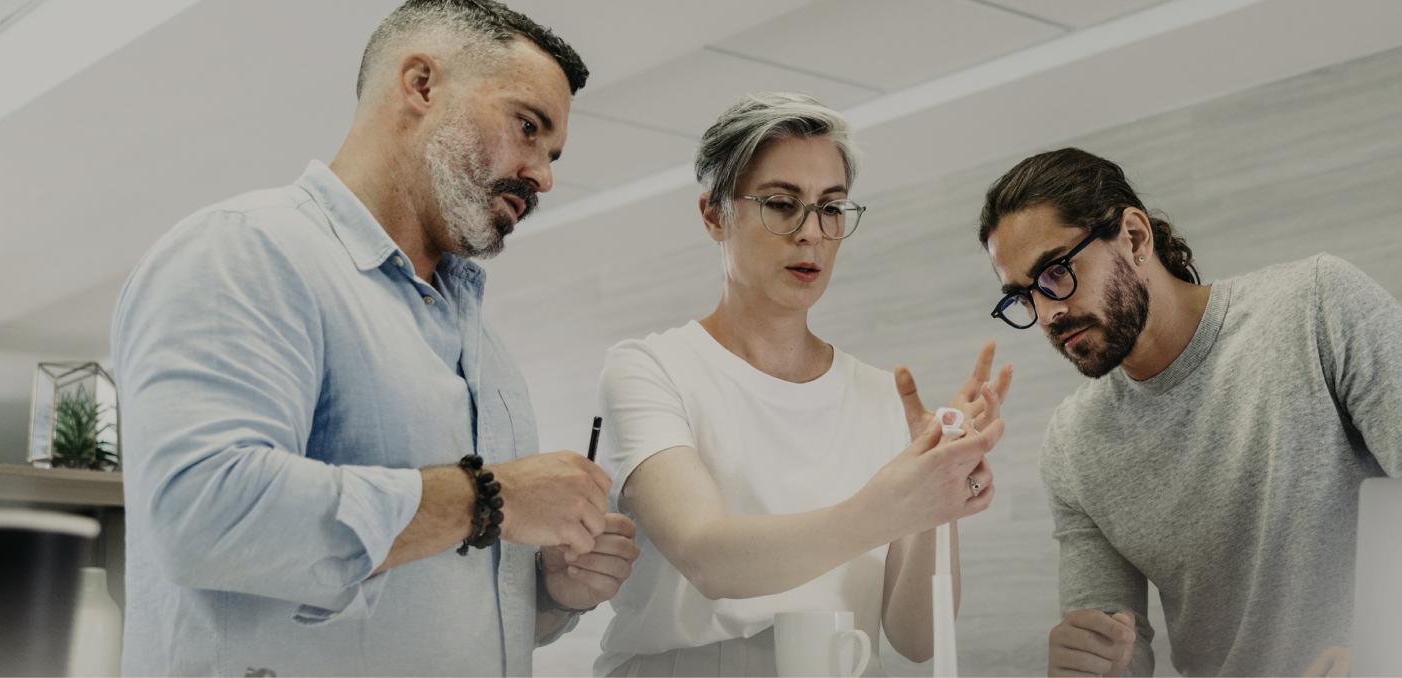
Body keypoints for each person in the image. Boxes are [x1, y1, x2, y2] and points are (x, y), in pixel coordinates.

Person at [110, 1, 635, 674]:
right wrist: (488, 498)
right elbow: (203, 513)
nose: (544, 175)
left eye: (553, 152)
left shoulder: (484, 348)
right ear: (420, 85)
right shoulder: (246, 252)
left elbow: (427, 604)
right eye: (527, 127)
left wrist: (552, 593)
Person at [974, 148, 1402, 677]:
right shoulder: (1072, 443)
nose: (1047, 313)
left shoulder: (1317, 305)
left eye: (1055, 272)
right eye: (1021, 298)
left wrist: (1393, 650)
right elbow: (1118, 647)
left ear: (1133, 236)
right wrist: (1092, 664)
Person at [591, 92, 1014, 676]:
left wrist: (935, 492)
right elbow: (710, 558)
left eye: (832, 208)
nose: (811, 233)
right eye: (781, 204)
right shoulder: (651, 368)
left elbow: (917, 638)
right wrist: (890, 506)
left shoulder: (882, 397)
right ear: (714, 214)